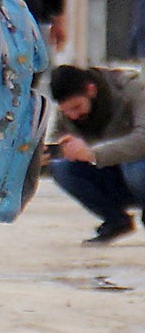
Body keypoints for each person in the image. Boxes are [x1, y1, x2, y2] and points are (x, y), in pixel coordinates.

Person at [43, 64, 145, 244]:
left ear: (91, 90)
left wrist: (93, 153)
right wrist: (41, 159)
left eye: (77, 107)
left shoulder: (133, 90)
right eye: (67, 111)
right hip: (115, 176)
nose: (73, 116)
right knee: (61, 168)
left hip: (137, 168)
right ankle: (116, 220)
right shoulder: (67, 114)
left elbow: (142, 139)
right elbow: (57, 145)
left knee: (133, 165)